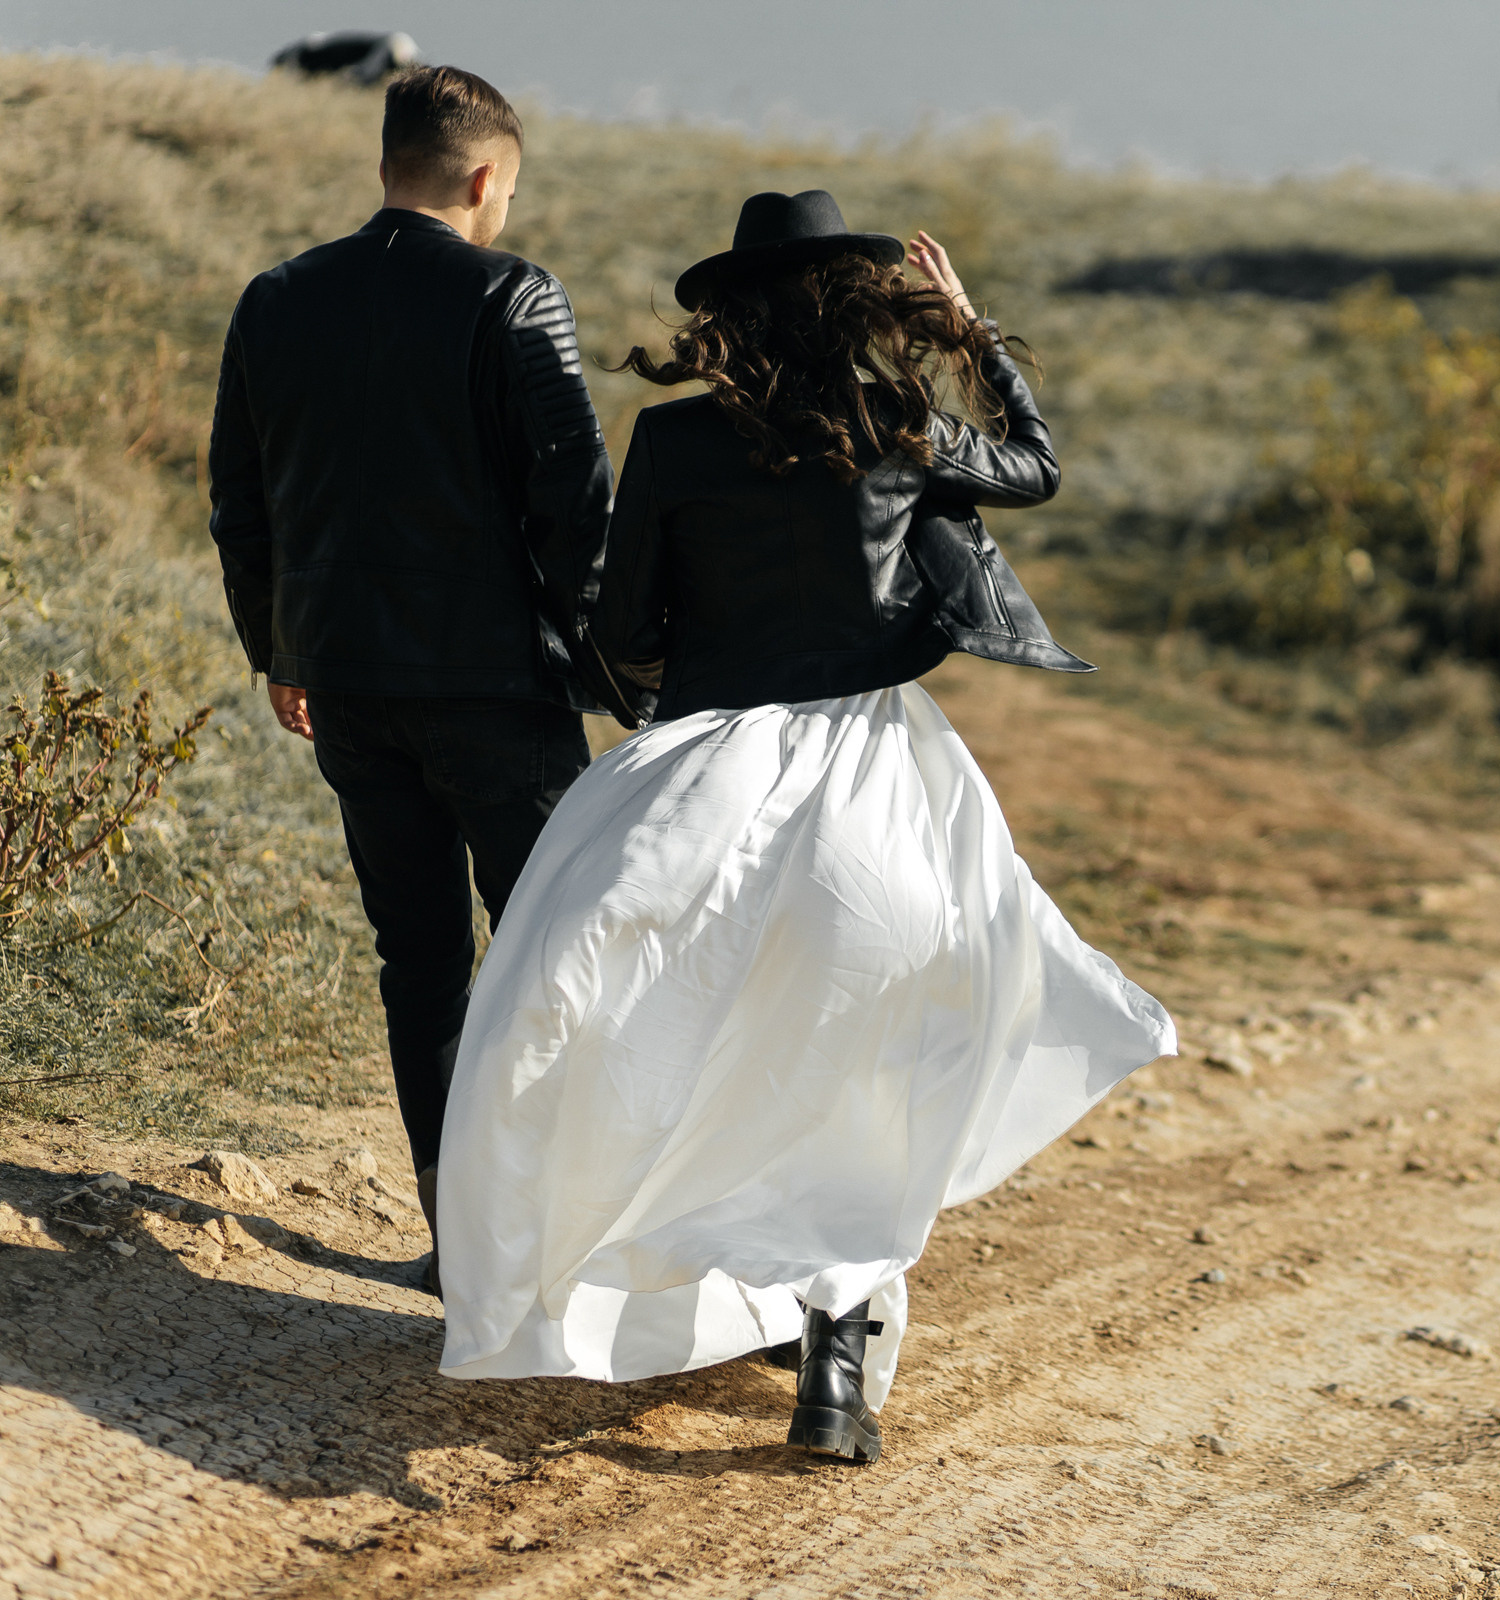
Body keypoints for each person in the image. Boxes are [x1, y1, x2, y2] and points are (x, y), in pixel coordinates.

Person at [433, 191, 1175, 1465]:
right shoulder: (900, 425)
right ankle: (831, 1374)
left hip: (708, 782)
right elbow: (1039, 467)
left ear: (725, 316)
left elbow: (625, 634)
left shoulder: (673, 438)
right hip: (877, 790)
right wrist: (971, 334)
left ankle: (616, 1276)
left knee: (666, 1044)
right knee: (858, 1081)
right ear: (857, 304)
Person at [207, 66, 644, 1297]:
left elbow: (240, 499)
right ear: (485, 176)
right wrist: (614, 666)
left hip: (345, 684)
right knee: (566, 951)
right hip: (497, 690)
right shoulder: (514, 295)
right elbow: (575, 506)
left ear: (386, 164)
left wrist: (278, 648)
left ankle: (465, 1248)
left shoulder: (276, 298)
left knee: (421, 964)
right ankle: (588, 1240)